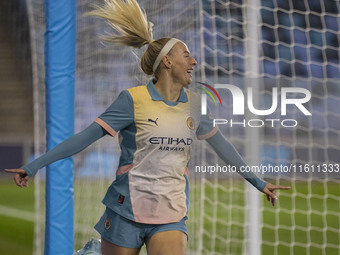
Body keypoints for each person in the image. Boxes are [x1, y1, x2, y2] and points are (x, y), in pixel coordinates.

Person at [5, 0, 290, 254]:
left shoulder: (195, 105)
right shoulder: (132, 100)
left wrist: (258, 181)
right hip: (125, 210)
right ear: (167, 61)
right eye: (186, 55)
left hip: (171, 214)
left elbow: (223, 146)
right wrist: (34, 165)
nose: (194, 62)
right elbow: (84, 138)